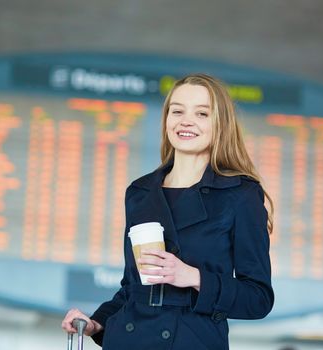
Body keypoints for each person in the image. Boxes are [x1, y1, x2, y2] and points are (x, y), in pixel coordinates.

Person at [62, 73, 274, 349]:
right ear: (166, 119)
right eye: (177, 111)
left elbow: (258, 298)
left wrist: (193, 277)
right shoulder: (140, 192)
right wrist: (96, 322)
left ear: (220, 124)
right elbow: (133, 288)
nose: (186, 121)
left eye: (201, 113)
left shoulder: (240, 195)